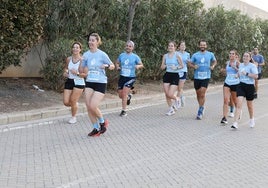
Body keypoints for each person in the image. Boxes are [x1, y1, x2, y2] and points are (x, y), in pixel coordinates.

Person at [79, 33, 115, 137]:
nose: (90, 42)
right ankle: (95, 128)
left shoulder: (102, 54)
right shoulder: (86, 54)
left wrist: (107, 65)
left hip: (101, 82)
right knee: (88, 106)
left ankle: (103, 122)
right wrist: (82, 62)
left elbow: (112, 66)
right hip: (90, 81)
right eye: (89, 40)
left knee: (93, 106)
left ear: (97, 42)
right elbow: (81, 70)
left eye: (93, 40)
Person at [188, 39, 217, 120]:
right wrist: (194, 66)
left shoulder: (210, 54)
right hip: (197, 77)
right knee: (198, 94)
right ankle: (201, 106)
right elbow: (189, 63)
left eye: (204, 45)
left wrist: (213, 66)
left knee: (202, 93)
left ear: (206, 46)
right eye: (201, 45)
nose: (202, 46)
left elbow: (215, 61)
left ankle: (200, 111)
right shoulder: (195, 55)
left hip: (206, 76)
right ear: (199, 46)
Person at [115, 40, 144, 117]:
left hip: (130, 78)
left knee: (124, 93)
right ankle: (129, 97)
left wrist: (138, 66)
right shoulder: (121, 55)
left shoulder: (135, 57)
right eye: (127, 46)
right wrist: (117, 67)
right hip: (122, 77)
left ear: (132, 48)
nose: (128, 47)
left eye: (130, 46)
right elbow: (117, 62)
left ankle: (124, 111)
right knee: (120, 95)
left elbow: (141, 64)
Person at [231, 52, 258, 129]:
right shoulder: (241, 65)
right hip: (241, 85)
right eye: (244, 56)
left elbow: (256, 76)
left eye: (247, 56)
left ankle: (252, 119)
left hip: (250, 87)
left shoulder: (252, 66)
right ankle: (235, 123)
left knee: (249, 105)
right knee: (239, 104)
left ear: (250, 58)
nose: (245, 57)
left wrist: (246, 74)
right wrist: (237, 75)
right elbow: (239, 73)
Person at [63, 42, 86, 124]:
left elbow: (85, 74)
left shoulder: (83, 60)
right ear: (72, 49)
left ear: (80, 49)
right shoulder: (69, 59)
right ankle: (75, 105)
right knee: (66, 102)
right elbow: (65, 68)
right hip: (69, 80)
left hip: (79, 82)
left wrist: (77, 73)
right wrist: (65, 72)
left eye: (77, 47)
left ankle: (73, 117)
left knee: (73, 100)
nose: (75, 49)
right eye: (74, 47)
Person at [160, 41, 184, 116]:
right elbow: (162, 66)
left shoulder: (177, 55)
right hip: (167, 75)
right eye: (169, 46)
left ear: (175, 47)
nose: (170, 47)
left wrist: (176, 67)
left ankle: (177, 99)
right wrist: (164, 66)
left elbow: (182, 66)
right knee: (167, 94)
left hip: (175, 75)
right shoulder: (165, 56)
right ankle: (171, 109)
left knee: (170, 94)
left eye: (172, 46)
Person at [220, 50, 240, 124]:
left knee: (235, 101)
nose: (231, 55)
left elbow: (241, 72)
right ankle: (224, 118)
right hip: (227, 82)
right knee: (226, 100)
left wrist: (235, 68)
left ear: (235, 55)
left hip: (235, 83)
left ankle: (238, 111)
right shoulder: (227, 62)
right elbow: (226, 71)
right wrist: (223, 71)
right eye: (230, 53)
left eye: (233, 54)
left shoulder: (237, 63)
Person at [176, 41, 190, 108]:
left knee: (180, 88)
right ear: (179, 47)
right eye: (181, 45)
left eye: (184, 45)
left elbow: (189, 62)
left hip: (183, 71)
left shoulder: (187, 54)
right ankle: (182, 97)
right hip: (176, 72)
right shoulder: (176, 53)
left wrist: (189, 62)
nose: (183, 47)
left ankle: (177, 102)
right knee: (178, 87)